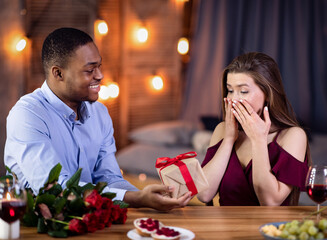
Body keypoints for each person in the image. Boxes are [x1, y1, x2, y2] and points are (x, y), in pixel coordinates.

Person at [4, 27, 191, 211]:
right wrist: (138, 198)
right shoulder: (27, 115)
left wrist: (149, 197)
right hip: (36, 226)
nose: (100, 76)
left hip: (92, 220)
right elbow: (56, 190)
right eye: (89, 70)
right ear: (58, 73)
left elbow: (109, 179)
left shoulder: (100, 113)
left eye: (99, 66)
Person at [197, 52, 310, 206]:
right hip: (226, 228)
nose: (233, 99)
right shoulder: (222, 130)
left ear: (268, 95)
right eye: (230, 90)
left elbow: (270, 202)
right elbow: (204, 194)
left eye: (243, 91)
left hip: (271, 229)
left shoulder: (293, 136)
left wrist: (258, 140)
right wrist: (229, 139)